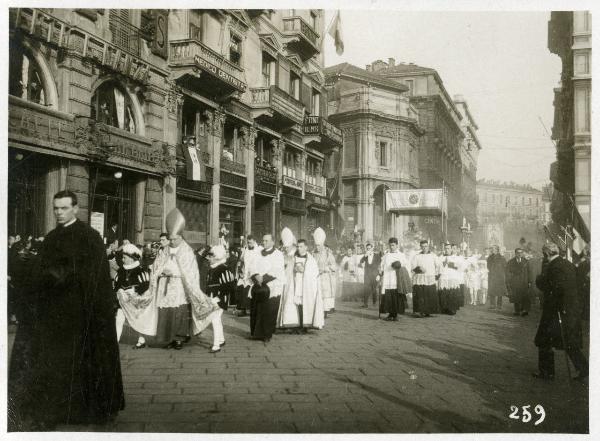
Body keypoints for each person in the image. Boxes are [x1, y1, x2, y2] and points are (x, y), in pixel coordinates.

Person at [8, 190, 124, 431]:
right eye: (56, 208)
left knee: (83, 362)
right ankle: (57, 409)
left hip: (82, 314)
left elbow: (94, 278)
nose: (59, 213)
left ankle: (85, 410)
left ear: (75, 208)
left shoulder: (89, 237)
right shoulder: (51, 237)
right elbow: (41, 273)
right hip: (54, 315)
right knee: (55, 363)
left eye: (63, 208)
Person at [150, 209, 224, 352]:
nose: (171, 242)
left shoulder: (187, 251)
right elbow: (156, 266)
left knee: (179, 312)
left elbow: (190, 271)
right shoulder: (164, 250)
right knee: (166, 312)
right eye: (170, 239)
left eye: (174, 239)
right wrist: (160, 272)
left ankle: (179, 338)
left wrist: (175, 273)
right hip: (165, 285)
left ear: (180, 236)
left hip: (180, 286)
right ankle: (168, 338)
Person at [533, 242, 588, 382]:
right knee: (570, 342)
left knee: (544, 340)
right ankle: (583, 369)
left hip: (555, 309)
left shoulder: (552, 266)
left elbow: (553, 287)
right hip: (570, 310)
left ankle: (547, 372)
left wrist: (539, 280)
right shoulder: (567, 264)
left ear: (546, 254)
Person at [114, 244, 155, 349]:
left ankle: (141, 340)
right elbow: (117, 284)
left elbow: (145, 286)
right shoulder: (121, 271)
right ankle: (115, 340)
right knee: (119, 318)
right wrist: (120, 290)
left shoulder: (141, 270)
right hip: (123, 301)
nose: (123, 260)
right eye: (123, 258)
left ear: (132, 259)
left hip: (136, 301)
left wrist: (134, 291)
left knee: (138, 320)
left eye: (125, 258)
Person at [250, 234, 285, 342]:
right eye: (263, 240)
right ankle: (256, 333)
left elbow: (277, 269)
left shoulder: (278, 254)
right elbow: (252, 266)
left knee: (269, 310)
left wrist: (263, 278)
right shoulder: (258, 252)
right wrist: (256, 276)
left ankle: (267, 334)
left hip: (272, 284)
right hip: (259, 284)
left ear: (272, 242)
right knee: (257, 309)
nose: (264, 242)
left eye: (266, 240)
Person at [291, 239, 324, 332]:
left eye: (301, 246)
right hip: (297, 283)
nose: (299, 248)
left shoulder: (311, 259)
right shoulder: (295, 257)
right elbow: (290, 269)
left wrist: (304, 270)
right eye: (298, 246)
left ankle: (305, 326)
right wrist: (294, 269)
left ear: (306, 247)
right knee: (298, 305)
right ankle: (299, 324)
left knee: (305, 304)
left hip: (307, 285)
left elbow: (314, 272)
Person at [379, 237, 411, 321]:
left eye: (393, 245)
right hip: (387, 278)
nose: (391, 247)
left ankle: (395, 314)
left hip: (396, 278)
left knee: (396, 295)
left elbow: (405, 264)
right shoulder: (386, 255)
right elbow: (382, 265)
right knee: (388, 295)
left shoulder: (401, 255)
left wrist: (399, 264)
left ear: (397, 245)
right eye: (390, 245)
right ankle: (390, 314)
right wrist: (380, 271)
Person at [277, 228, 300, 329]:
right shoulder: (282, 254)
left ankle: (292, 321)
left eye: (287, 247)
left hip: (293, 280)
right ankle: (283, 321)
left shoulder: (296, 254)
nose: (285, 249)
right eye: (284, 247)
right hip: (284, 279)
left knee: (291, 299)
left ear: (292, 245)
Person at [411, 239, 440, 317]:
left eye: (426, 246)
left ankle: (429, 311)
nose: (424, 248)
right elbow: (413, 267)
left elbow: (438, 266)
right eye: (422, 246)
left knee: (429, 294)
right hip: (419, 278)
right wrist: (419, 269)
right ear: (420, 247)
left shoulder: (433, 255)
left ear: (428, 246)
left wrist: (436, 275)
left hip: (429, 278)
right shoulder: (417, 256)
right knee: (420, 295)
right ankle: (420, 311)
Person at [313, 227, 337, 316]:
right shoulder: (313, 253)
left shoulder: (328, 253)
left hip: (325, 278)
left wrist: (326, 269)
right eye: (316, 245)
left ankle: (325, 312)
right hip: (316, 277)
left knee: (325, 295)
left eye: (318, 245)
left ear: (322, 244)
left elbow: (334, 266)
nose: (317, 247)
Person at [206, 244, 236, 311]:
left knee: (215, 320)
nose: (208, 258)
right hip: (211, 300)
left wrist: (217, 299)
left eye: (210, 256)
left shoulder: (223, 269)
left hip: (218, 302)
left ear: (217, 257)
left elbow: (228, 286)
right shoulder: (212, 269)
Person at [238, 235, 262, 317]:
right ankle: (243, 309)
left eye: (250, 242)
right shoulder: (246, 249)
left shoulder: (260, 249)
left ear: (255, 241)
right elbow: (241, 260)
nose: (249, 244)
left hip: (255, 273)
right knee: (244, 291)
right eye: (248, 242)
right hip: (246, 273)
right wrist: (241, 270)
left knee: (253, 291)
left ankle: (253, 310)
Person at [506, 248, 531, 316]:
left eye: (521, 252)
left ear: (522, 253)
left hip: (524, 282)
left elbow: (529, 272)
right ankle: (517, 310)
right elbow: (508, 272)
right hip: (515, 282)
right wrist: (508, 282)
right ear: (515, 253)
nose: (519, 254)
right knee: (516, 297)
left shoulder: (526, 261)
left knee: (524, 296)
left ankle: (523, 310)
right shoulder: (510, 262)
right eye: (518, 252)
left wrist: (529, 281)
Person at [438, 243, 461, 315]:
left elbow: (459, 267)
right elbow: (438, 266)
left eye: (448, 248)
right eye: (446, 248)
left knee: (452, 292)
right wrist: (444, 263)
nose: (447, 250)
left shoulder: (456, 257)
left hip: (452, 277)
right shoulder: (441, 257)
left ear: (451, 249)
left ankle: (452, 309)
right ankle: (444, 308)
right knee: (443, 292)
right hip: (444, 276)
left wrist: (450, 263)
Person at [360, 242, 381, 308]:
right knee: (366, 288)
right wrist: (365, 256)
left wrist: (378, 275)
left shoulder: (377, 256)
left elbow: (380, 266)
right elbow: (361, 261)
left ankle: (374, 302)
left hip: (374, 274)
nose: (368, 249)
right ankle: (365, 303)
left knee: (374, 288)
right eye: (367, 248)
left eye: (369, 248)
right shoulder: (365, 256)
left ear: (372, 248)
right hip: (367, 275)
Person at [487, 245, 507, 310]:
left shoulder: (502, 258)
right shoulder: (490, 258)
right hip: (492, 276)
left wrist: (502, 274)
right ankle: (492, 304)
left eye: (494, 249)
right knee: (492, 290)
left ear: (497, 250)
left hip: (499, 277)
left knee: (499, 292)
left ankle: (499, 305)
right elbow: (488, 266)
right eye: (492, 249)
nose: (492, 250)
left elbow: (505, 267)